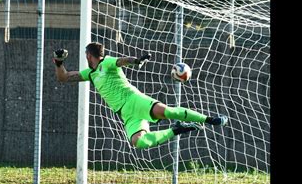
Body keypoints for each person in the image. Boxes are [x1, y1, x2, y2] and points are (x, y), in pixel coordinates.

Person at [52, 42, 227, 149]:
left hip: (134, 99)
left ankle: (210, 119)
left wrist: (136, 61)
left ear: (89, 55)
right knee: (139, 142)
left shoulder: (107, 62)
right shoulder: (90, 73)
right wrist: (59, 62)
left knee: (166, 111)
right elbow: (64, 77)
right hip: (126, 114)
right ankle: (175, 130)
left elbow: (122, 61)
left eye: (86, 56)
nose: (86, 58)